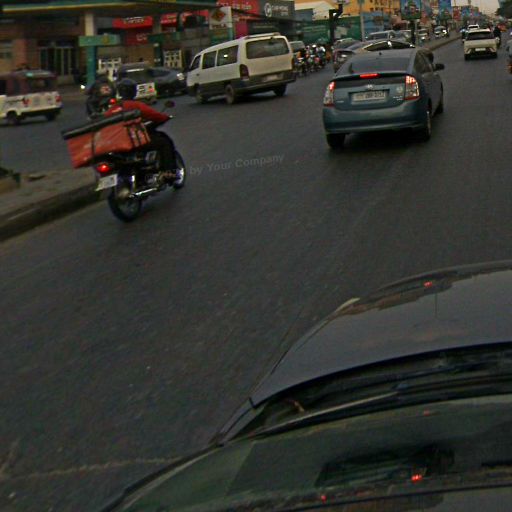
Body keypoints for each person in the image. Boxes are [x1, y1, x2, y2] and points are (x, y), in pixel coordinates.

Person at [106, 78, 183, 184]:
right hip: (136, 141)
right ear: (134, 91)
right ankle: (169, 174)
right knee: (164, 143)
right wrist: (165, 117)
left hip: (118, 145)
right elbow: (154, 115)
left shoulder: (112, 109)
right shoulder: (136, 105)